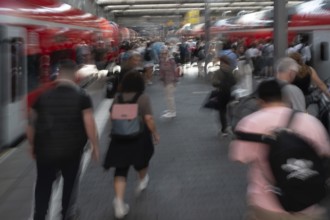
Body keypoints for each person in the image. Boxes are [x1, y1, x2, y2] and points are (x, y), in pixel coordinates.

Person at [230, 79, 330, 220]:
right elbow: (325, 153)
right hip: (308, 205)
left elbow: (239, 157)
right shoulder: (310, 121)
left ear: (260, 101)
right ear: (283, 98)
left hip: (266, 203)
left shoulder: (250, 123)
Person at [26, 59, 99, 220]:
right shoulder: (82, 96)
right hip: (72, 151)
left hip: (45, 151)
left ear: (58, 75)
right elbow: (89, 123)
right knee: (70, 185)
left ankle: (39, 215)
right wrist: (95, 146)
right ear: (74, 76)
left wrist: (32, 146)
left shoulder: (42, 96)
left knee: (43, 186)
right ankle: (67, 213)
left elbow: (31, 124)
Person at [103, 71, 160, 219]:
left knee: (120, 170)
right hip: (139, 138)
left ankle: (119, 203)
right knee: (142, 162)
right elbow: (148, 118)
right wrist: (155, 133)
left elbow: (111, 117)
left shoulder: (118, 97)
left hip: (119, 138)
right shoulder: (143, 98)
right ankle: (142, 180)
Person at [212, 55, 237, 136]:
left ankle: (224, 129)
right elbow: (235, 81)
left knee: (222, 111)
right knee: (230, 110)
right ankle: (231, 126)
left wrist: (221, 83)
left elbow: (214, 83)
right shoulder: (231, 71)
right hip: (230, 92)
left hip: (221, 93)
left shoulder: (218, 72)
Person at [159, 46, 180, 118]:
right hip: (166, 80)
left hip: (171, 80)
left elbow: (174, 70)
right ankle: (170, 109)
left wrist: (175, 80)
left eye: (164, 53)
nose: (163, 54)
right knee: (167, 96)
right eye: (162, 53)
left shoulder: (170, 60)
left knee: (170, 96)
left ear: (168, 53)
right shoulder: (163, 60)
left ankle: (172, 112)